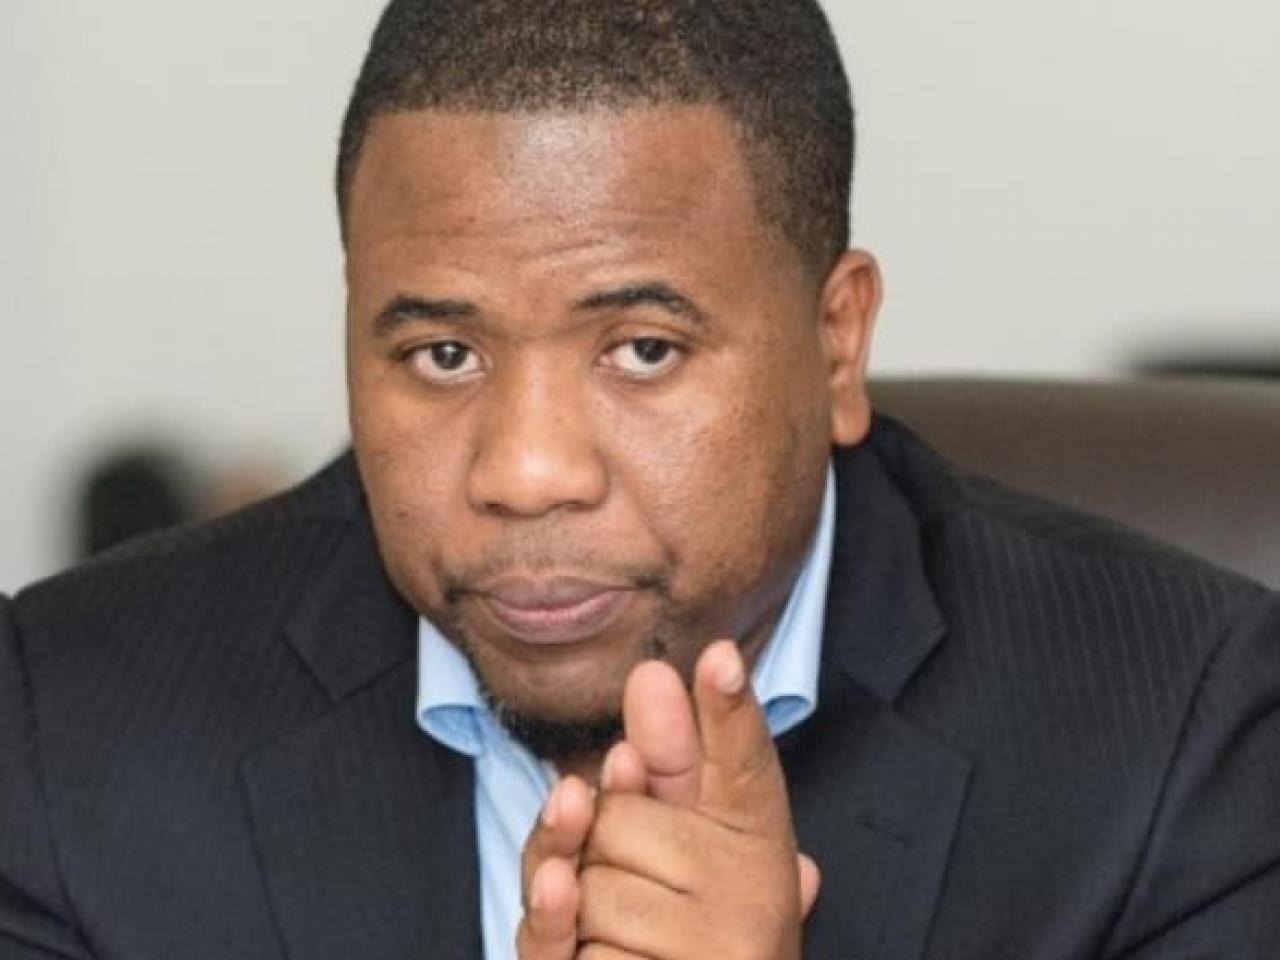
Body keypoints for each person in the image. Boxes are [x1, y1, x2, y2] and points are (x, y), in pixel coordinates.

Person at [2, 1, 1278, 957]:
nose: (527, 473)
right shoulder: (65, 731)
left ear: (835, 341)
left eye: (642, 349)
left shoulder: (1178, 744)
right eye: (442, 354)